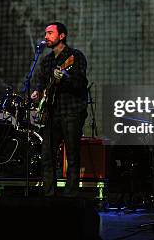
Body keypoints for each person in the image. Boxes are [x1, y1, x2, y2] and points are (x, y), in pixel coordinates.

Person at [31, 22, 88, 197]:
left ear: (62, 36)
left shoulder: (74, 56)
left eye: (50, 33)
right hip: (51, 112)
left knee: (72, 157)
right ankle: (49, 196)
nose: (46, 36)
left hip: (71, 111)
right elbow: (41, 84)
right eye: (45, 33)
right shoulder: (47, 61)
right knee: (47, 156)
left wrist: (65, 77)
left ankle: (70, 197)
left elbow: (81, 84)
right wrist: (37, 93)